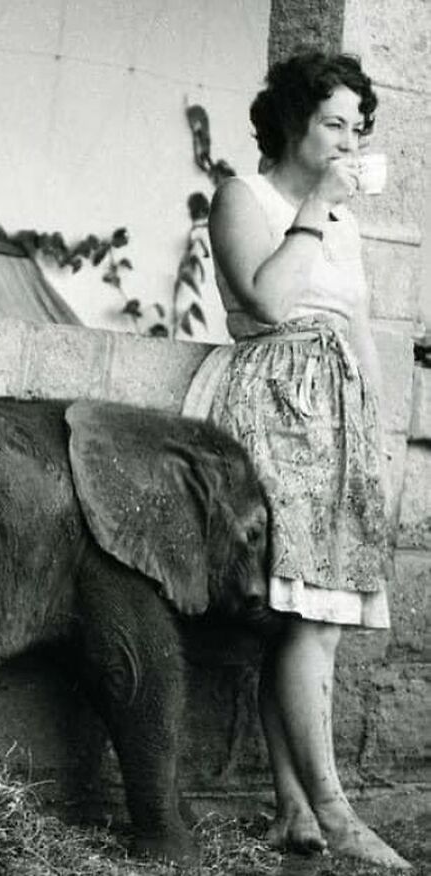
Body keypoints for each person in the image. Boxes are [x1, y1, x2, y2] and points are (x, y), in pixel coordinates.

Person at [183, 51, 411, 869]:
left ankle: (293, 811)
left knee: (312, 619)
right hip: (274, 406)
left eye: (358, 128)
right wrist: (316, 205)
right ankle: (337, 812)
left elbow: (358, 333)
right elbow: (270, 302)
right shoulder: (244, 197)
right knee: (307, 616)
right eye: (333, 124)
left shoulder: (343, 222)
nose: (350, 141)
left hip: (338, 421)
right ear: (290, 123)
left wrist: (381, 450)